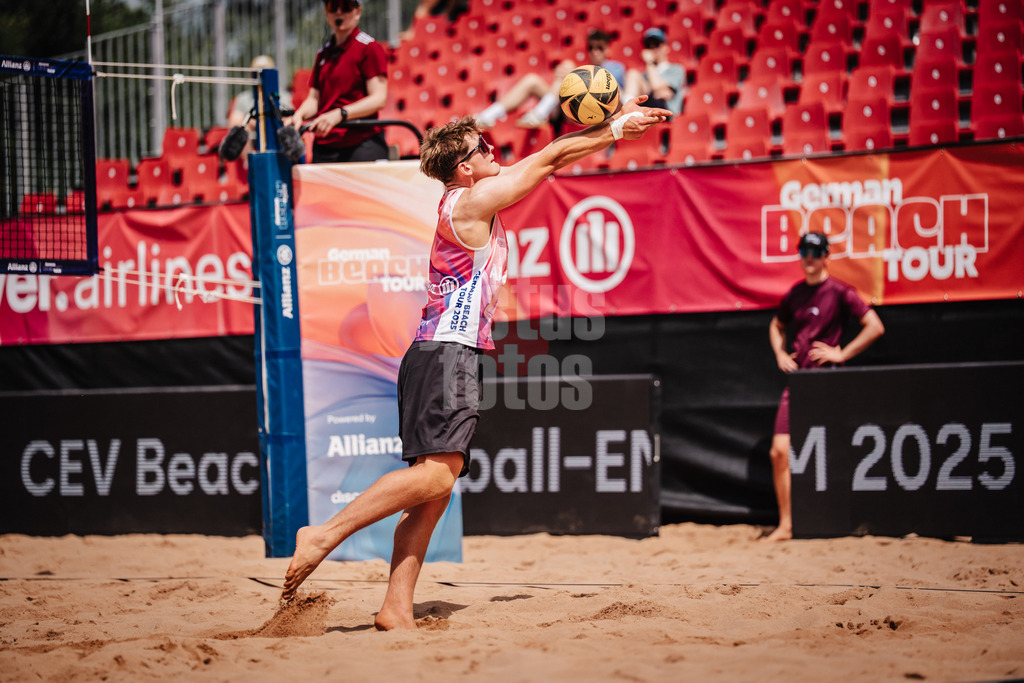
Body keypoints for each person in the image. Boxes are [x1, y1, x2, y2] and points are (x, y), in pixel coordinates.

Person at [280, 99, 673, 628]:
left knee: (432, 490)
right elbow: (551, 161)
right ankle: (324, 533)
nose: (494, 151)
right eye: (483, 149)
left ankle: (395, 606)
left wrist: (613, 123)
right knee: (438, 480)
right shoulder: (469, 202)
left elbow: (548, 156)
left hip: (437, 351)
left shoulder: (469, 199)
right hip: (446, 352)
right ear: (465, 167)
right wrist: (619, 125)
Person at [765, 232, 885, 542]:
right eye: (805, 250)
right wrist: (780, 353)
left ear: (826, 255)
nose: (810, 256)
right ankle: (787, 525)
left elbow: (875, 326)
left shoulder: (840, 292)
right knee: (779, 451)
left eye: (816, 251)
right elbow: (776, 325)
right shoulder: (795, 294)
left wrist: (842, 353)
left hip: (829, 383)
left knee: (839, 453)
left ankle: (848, 520)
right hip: (798, 382)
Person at [285, 0, 388, 163]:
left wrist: (341, 114)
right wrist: (299, 115)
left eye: (346, 7)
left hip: (361, 144)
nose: (339, 12)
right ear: (326, 13)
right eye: (333, 7)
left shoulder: (369, 47)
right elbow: (314, 99)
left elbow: (379, 99)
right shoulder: (323, 53)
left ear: (357, 12)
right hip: (324, 146)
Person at [476, 29, 627, 129]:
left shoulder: (616, 67)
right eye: (591, 48)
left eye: (599, 47)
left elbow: (614, 96)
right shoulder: (586, 67)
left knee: (569, 68)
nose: (595, 52)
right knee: (532, 79)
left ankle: (540, 114)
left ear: (607, 49)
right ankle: (487, 117)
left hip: (593, 110)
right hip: (567, 107)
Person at [624, 28, 685, 115]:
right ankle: (626, 112)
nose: (653, 48)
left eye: (656, 44)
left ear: (666, 47)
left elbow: (660, 91)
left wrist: (649, 63)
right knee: (632, 74)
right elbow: (658, 91)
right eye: (649, 46)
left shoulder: (676, 69)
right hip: (647, 111)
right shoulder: (644, 75)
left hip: (666, 113)